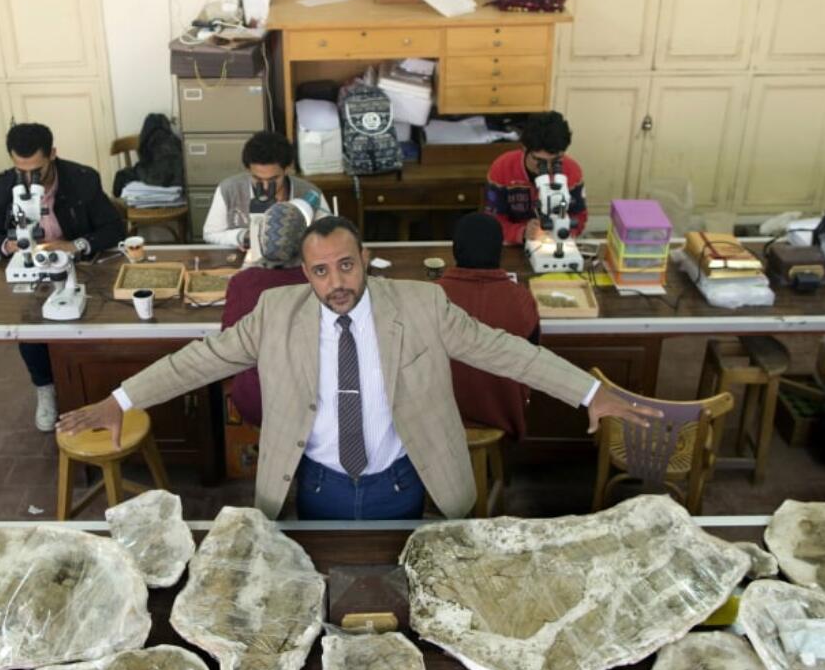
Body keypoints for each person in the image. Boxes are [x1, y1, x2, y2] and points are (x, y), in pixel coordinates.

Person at [58, 217, 660, 521]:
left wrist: (588, 392)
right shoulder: (275, 311)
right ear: (304, 274)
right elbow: (202, 358)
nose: (336, 284)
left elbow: (505, 350)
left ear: (365, 260)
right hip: (312, 485)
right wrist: (123, 398)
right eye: (320, 272)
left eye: (346, 267)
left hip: (402, 481)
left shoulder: (421, 305)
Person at [0, 123, 124, 432]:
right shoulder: (5, 186)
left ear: (53, 155)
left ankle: (92, 385)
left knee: (92, 323)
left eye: (37, 170)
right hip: (36, 269)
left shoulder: (82, 180)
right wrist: (9, 245)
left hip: (81, 267)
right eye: (21, 170)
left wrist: (76, 246)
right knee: (30, 326)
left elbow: (114, 228)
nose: (29, 180)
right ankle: (46, 389)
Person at [437, 213, 540, 440]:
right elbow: (533, 362)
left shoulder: (431, 296)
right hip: (502, 416)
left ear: (455, 249)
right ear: (498, 251)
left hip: (441, 421)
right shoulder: (521, 300)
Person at [220, 201, 311, 427]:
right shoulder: (320, 280)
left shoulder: (242, 282)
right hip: (309, 402)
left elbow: (229, 345)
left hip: (258, 401)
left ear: (260, 239)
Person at [202, 130, 329, 248]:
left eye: (273, 180)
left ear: (286, 169)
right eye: (257, 179)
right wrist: (244, 236)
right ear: (248, 170)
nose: (266, 187)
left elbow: (329, 236)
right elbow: (210, 234)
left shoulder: (309, 192)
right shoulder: (229, 190)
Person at [484, 111, 587, 246]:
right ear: (525, 148)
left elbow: (579, 217)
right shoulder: (503, 168)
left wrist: (563, 229)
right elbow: (493, 220)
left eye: (556, 161)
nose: (548, 168)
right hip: (512, 244)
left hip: (555, 242)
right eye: (540, 161)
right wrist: (521, 232)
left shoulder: (571, 171)